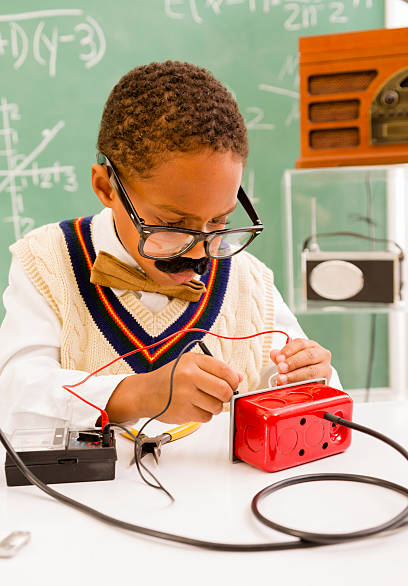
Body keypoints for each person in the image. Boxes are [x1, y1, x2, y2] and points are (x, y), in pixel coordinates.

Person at [0, 61, 339, 431]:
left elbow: (316, 400)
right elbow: (15, 394)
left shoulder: (249, 282)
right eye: (171, 225)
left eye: (220, 221)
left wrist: (313, 378)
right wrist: (138, 395)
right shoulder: (48, 261)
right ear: (106, 188)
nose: (197, 253)